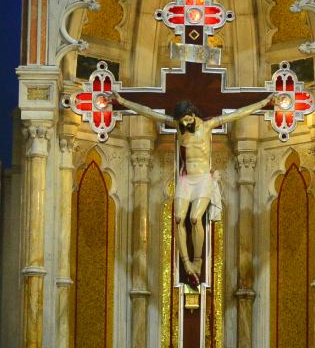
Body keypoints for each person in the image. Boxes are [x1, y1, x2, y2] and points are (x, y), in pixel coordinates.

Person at [114, 92, 271, 282]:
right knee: (179, 218)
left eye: (187, 119)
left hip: (203, 178)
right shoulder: (179, 126)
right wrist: (122, 101)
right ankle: (186, 262)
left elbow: (237, 114)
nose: (185, 124)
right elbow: (149, 112)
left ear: (193, 114)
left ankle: (197, 261)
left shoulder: (208, 126)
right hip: (186, 179)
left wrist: (264, 103)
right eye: (182, 121)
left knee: (195, 219)